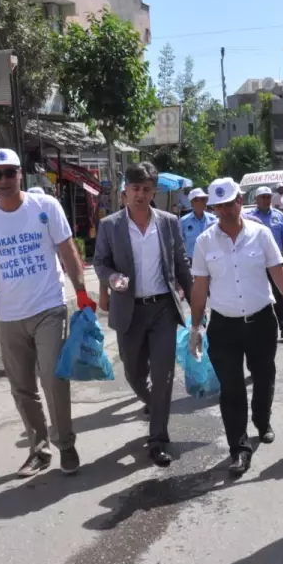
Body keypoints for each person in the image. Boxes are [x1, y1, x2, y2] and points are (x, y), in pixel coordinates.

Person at [0, 148, 96, 477]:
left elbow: (66, 249)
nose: (4, 180)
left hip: (49, 307)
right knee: (22, 387)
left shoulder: (45, 206)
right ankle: (39, 449)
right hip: (10, 314)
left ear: (20, 174)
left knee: (53, 378)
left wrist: (82, 290)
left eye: (9, 172)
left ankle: (65, 444)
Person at [189, 178, 283, 476]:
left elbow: (280, 277)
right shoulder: (205, 242)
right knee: (231, 389)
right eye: (218, 206)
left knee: (264, 377)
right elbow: (199, 287)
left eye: (229, 203)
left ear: (239, 202)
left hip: (260, 321)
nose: (224, 211)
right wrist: (195, 327)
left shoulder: (261, 235)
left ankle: (262, 420)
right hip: (223, 327)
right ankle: (239, 448)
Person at [93, 163, 193, 468]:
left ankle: (159, 439)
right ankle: (153, 402)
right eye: (135, 188)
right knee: (134, 374)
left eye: (146, 189)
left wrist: (198, 305)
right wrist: (111, 281)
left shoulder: (168, 222)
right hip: (129, 311)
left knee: (163, 375)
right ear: (126, 192)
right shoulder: (110, 225)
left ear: (154, 192)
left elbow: (181, 264)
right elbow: (100, 262)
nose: (140, 194)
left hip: (163, 308)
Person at [245, 186, 283, 339]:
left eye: (268, 197)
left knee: (280, 293)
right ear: (256, 200)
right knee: (258, 293)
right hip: (256, 261)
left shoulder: (278, 216)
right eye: (263, 197)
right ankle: (259, 328)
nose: (266, 200)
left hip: (276, 261)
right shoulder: (248, 217)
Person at [180, 187, 218, 263]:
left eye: (205, 199)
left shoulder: (213, 219)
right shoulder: (183, 221)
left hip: (212, 260)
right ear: (193, 202)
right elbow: (179, 244)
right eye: (203, 199)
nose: (206, 202)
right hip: (192, 261)